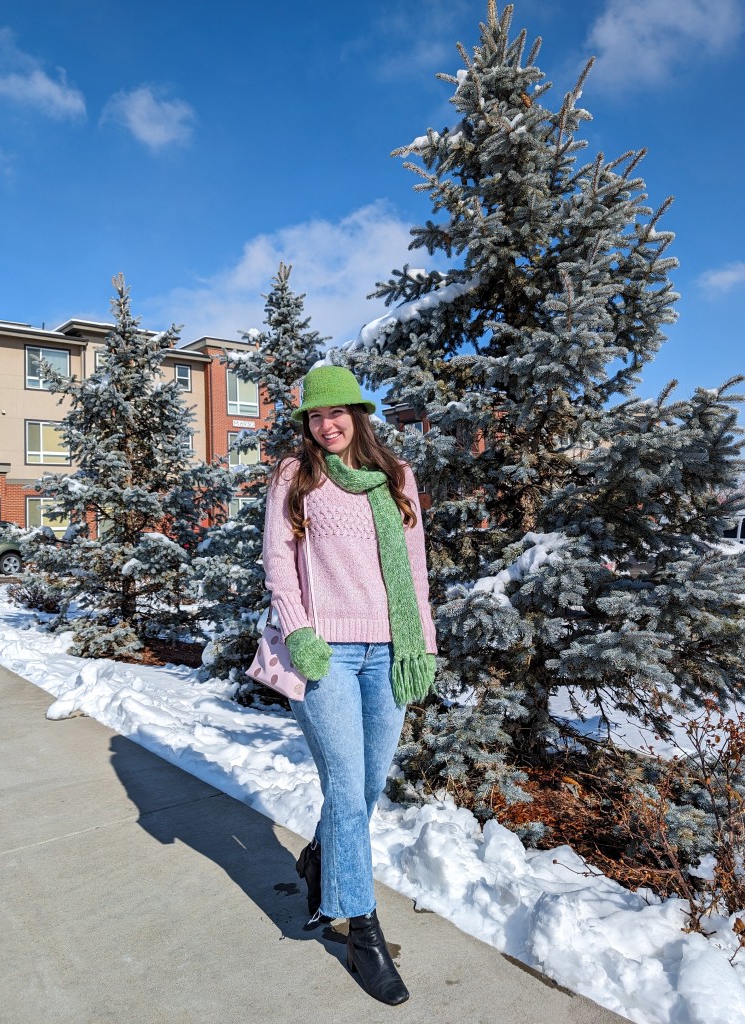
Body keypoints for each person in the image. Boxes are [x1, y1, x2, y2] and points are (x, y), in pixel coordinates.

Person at [262, 365, 437, 1006]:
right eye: (314, 415)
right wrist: (299, 630)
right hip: (325, 652)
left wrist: (421, 645)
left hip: (390, 648)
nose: (326, 425)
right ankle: (362, 929)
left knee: (366, 785)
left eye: (336, 413)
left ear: (358, 415)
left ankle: (319, 857)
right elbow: (279, 563)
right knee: (343, 782)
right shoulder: (295, 475)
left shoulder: (397, 478)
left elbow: (415, 571)